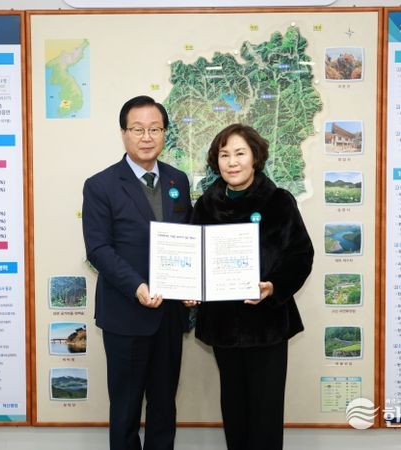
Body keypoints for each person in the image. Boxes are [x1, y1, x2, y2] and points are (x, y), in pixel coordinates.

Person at [184, 123, 314, 450]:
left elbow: (301, 255)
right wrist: (190, 288)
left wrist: (273, 287)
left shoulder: (278, 201)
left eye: (240, 153)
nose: (232, 162)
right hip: (223, 326)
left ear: (255, 157)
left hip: (267, 326)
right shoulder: (206, 205)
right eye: (224, 155)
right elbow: (193, 258)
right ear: (216, 161)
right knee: (234, 411)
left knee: (265, 415)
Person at [82, 95, 192, 450]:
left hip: (169, 316)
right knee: (126, 410)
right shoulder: (100, 185)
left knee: (164, 408)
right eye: (138, 129)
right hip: (126, 315)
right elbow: (99, 249)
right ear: (124, 133)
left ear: (164, 133)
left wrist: (193, 285)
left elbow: (188, 239)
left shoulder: (178, 180)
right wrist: (137, 286)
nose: (147, 137)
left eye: (155, 129)